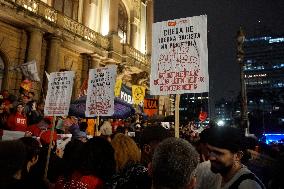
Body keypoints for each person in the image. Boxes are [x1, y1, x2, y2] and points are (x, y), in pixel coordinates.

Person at [195, 126, 265, 189]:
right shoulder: (220, 174)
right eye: (210, 151)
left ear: (238, 156)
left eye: (218, 153)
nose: (211, 157)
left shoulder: (247, 186)